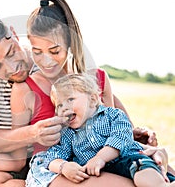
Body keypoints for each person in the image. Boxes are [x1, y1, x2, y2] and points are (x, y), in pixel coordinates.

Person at [0, 9, 166, 186]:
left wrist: (128, 128)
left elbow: (95, 91)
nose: (13, 68)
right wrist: (31, 134)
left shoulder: (46, 57)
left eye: (11, 52)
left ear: (13, 33)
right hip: (25, 160)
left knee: (152, 164)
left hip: (73, 152)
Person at [8, 0, 173, 187]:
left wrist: (148, 149)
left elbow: (113, 127)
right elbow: (17, 153)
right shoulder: (24, 90)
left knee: (161, 173)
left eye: (55, 51)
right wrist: (34, 135)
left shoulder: (98, 79)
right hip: (58, 168)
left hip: (106, 159)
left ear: (70, 42)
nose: (46, 60)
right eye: (37, 52)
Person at [41, 73, 175, 187]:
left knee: (141, 168)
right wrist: (63, 167)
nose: (64, 108)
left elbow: (120, 137)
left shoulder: (113, 115)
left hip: (128, 159)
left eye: (70, 99)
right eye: (59, 105)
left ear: (92, 99)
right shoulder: (67, 133)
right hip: (102, 173)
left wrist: (100, 158)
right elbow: (54, 155)